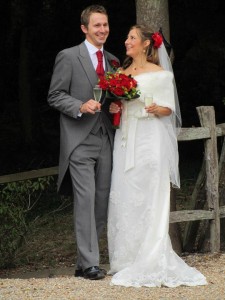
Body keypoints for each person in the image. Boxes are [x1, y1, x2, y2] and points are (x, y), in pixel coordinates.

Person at [107, 24, 207, 287]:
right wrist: (116, 105)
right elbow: (119, 107)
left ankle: (151, 254)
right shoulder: (121, 73)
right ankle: (127, 256)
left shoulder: (161, 75)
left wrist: (156, 108)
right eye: (127, 37)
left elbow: (169, 110)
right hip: (126, 138)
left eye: (131, 37)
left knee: (150, 193)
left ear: (146, 44)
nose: (126, 41)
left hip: (150, 139)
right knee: (126, 191)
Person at [47, 5, 119, 280]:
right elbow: (55, 95)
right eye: (97, 25)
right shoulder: (68, 56)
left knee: (101, 202)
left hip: (106, 139)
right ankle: (91, 263)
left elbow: (112, 99)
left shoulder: (113, 61)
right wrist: (79, 105)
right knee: (86, 199)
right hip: (79, 140)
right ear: (84, 28)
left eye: (105, 25)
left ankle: (82, 261)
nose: (102, 30)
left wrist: (113, 107)